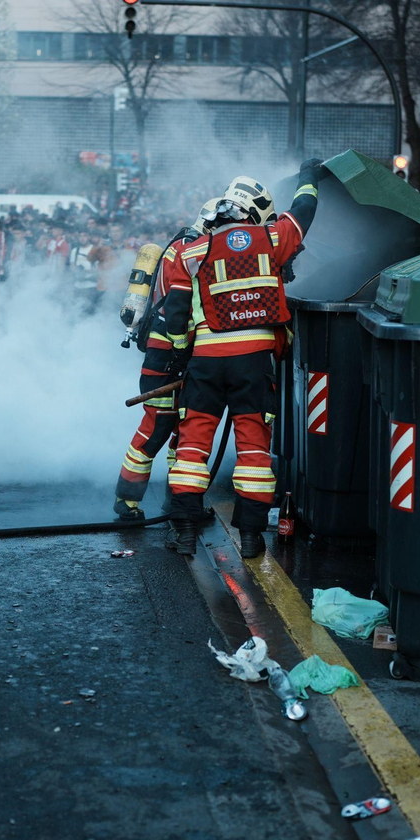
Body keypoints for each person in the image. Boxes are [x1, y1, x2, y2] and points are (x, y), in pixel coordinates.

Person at [160, 163, 323, 560]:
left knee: (194, 445)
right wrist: (310, 176)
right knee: (253, 449)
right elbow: (303, 211)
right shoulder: (271, 238)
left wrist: (183, 355)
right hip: (253, 362)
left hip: (206, 361)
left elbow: (176, 310)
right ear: (256, 213)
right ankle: (251, 539)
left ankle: (183, 533)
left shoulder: (192, 249)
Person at [112, 204, 207, 521]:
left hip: (182, 355)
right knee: (158, 426)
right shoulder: (192, 249)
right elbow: (179, 307)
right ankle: (126, 501)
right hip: (166, 354)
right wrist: (181, 350)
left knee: (183, 431)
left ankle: (177, 503)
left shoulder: (185, 244)